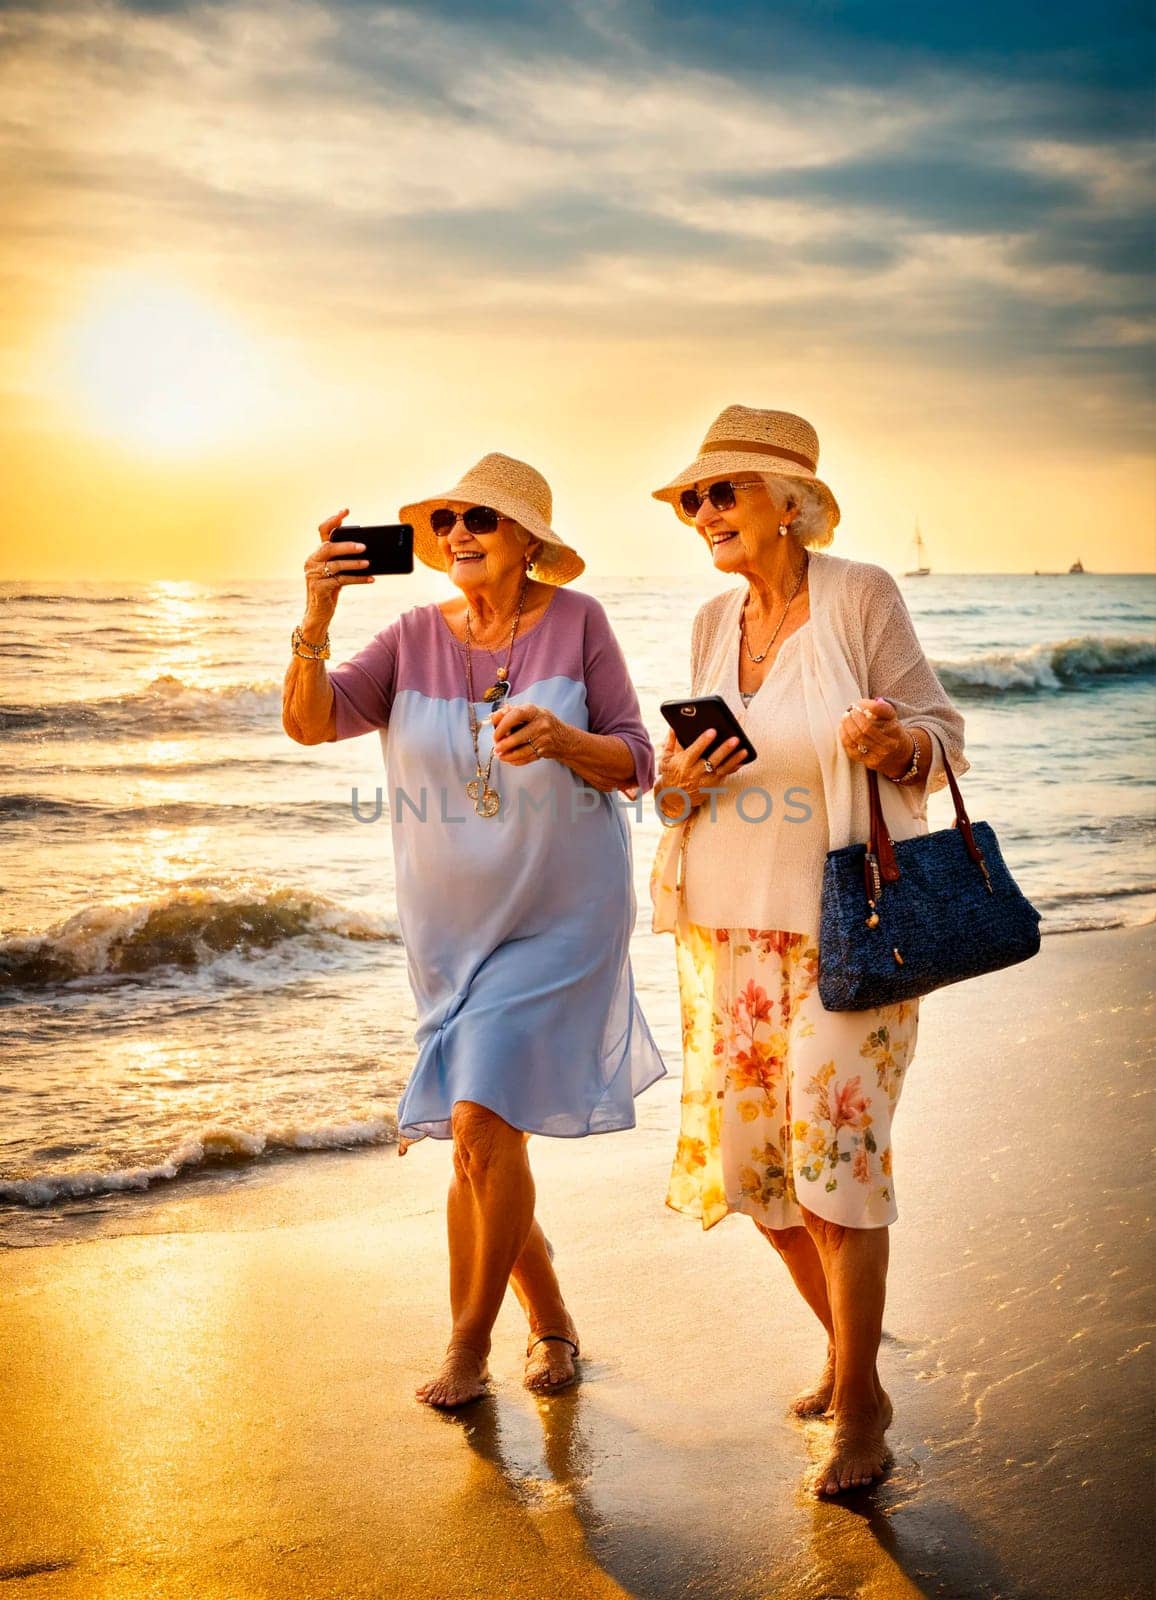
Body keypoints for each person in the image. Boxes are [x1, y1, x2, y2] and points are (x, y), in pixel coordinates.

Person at [283, 452, 665, 1408]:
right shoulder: (410, 633)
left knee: (480, 1121)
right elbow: (309, 723)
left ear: (530, 540)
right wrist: (317, 623)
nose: (458, 533)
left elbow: (636, 761)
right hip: (451, 931)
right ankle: (554, 1327)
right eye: (447, 518)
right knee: (480, 1140)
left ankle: (465, 1347)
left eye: (482, 520)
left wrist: (565, 742)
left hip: (564, 909)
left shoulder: (578, 622)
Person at [649, 405, 967, 1496]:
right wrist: (676, 784)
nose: (702, 513)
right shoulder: (708, 621)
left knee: (837, 1165)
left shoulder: (859, 594)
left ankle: (861, 1403)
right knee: (762, 1175)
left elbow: (939, 735)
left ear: (788, 501)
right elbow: (677, 786)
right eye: (691, 498)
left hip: (853, 928)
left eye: (720, 491)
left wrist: (894, 742)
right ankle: (845, 1356)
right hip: (730, 931)